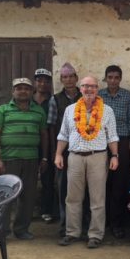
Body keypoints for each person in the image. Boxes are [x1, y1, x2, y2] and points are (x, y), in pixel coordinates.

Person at [55, 76, 119, 249]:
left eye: (92, 86)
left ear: (97, 89)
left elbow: (112, 136)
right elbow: (63, 135)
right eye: (85, 86)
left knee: (98, 198)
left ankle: (96, 234)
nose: (89, 89)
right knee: (73, 197)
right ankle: (72, 232)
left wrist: (114, 156)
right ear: (80, 89)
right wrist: (58, 154)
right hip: (74, 157)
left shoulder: (107, 111)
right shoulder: (70, 110)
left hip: (98, 156)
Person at [0, 77, 48, 240]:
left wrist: (44, 158)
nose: (23, 91)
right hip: (9, 160)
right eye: (19, 88)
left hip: (31, 160)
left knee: (28, 197)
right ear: (13, 91)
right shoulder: (2, 110)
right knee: (4, 196)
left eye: (26, 88)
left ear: (32, 91)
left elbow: (44, 136)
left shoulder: (39, 111)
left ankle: (21, 230)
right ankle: (0, 231)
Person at [99, 65, 130, 238]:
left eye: (116, 77)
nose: (113, 80)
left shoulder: (128, 96)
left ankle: (116, 223)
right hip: (100, 143)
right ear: (105, 78)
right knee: (100, 184)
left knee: (119, 184)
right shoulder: (99, 95)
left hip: (122, 142)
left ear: (120, 79)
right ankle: (102, 222)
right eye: (110, 77)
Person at [47, 62, 82, 237]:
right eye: (65, 77)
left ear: (76, 78)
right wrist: (56, 153)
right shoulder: (55, 100)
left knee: (83, 190)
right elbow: (52, 127)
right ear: (61, 80)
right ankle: (65, 226)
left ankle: (82, 225)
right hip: (63, 150)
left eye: (71, 76)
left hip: (83, 149)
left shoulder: (85, 97)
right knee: (63, 189)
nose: (68, 80)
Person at [33, 68, 55, 224]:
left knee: (48, 179)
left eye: (46, 81)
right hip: (30, 145)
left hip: (48, 145)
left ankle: (46, 210)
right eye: (39, 80)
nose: (42, 84)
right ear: (35, 82)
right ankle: (27, 210)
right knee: (27, 180)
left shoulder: (53, 101)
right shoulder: (27, 100)